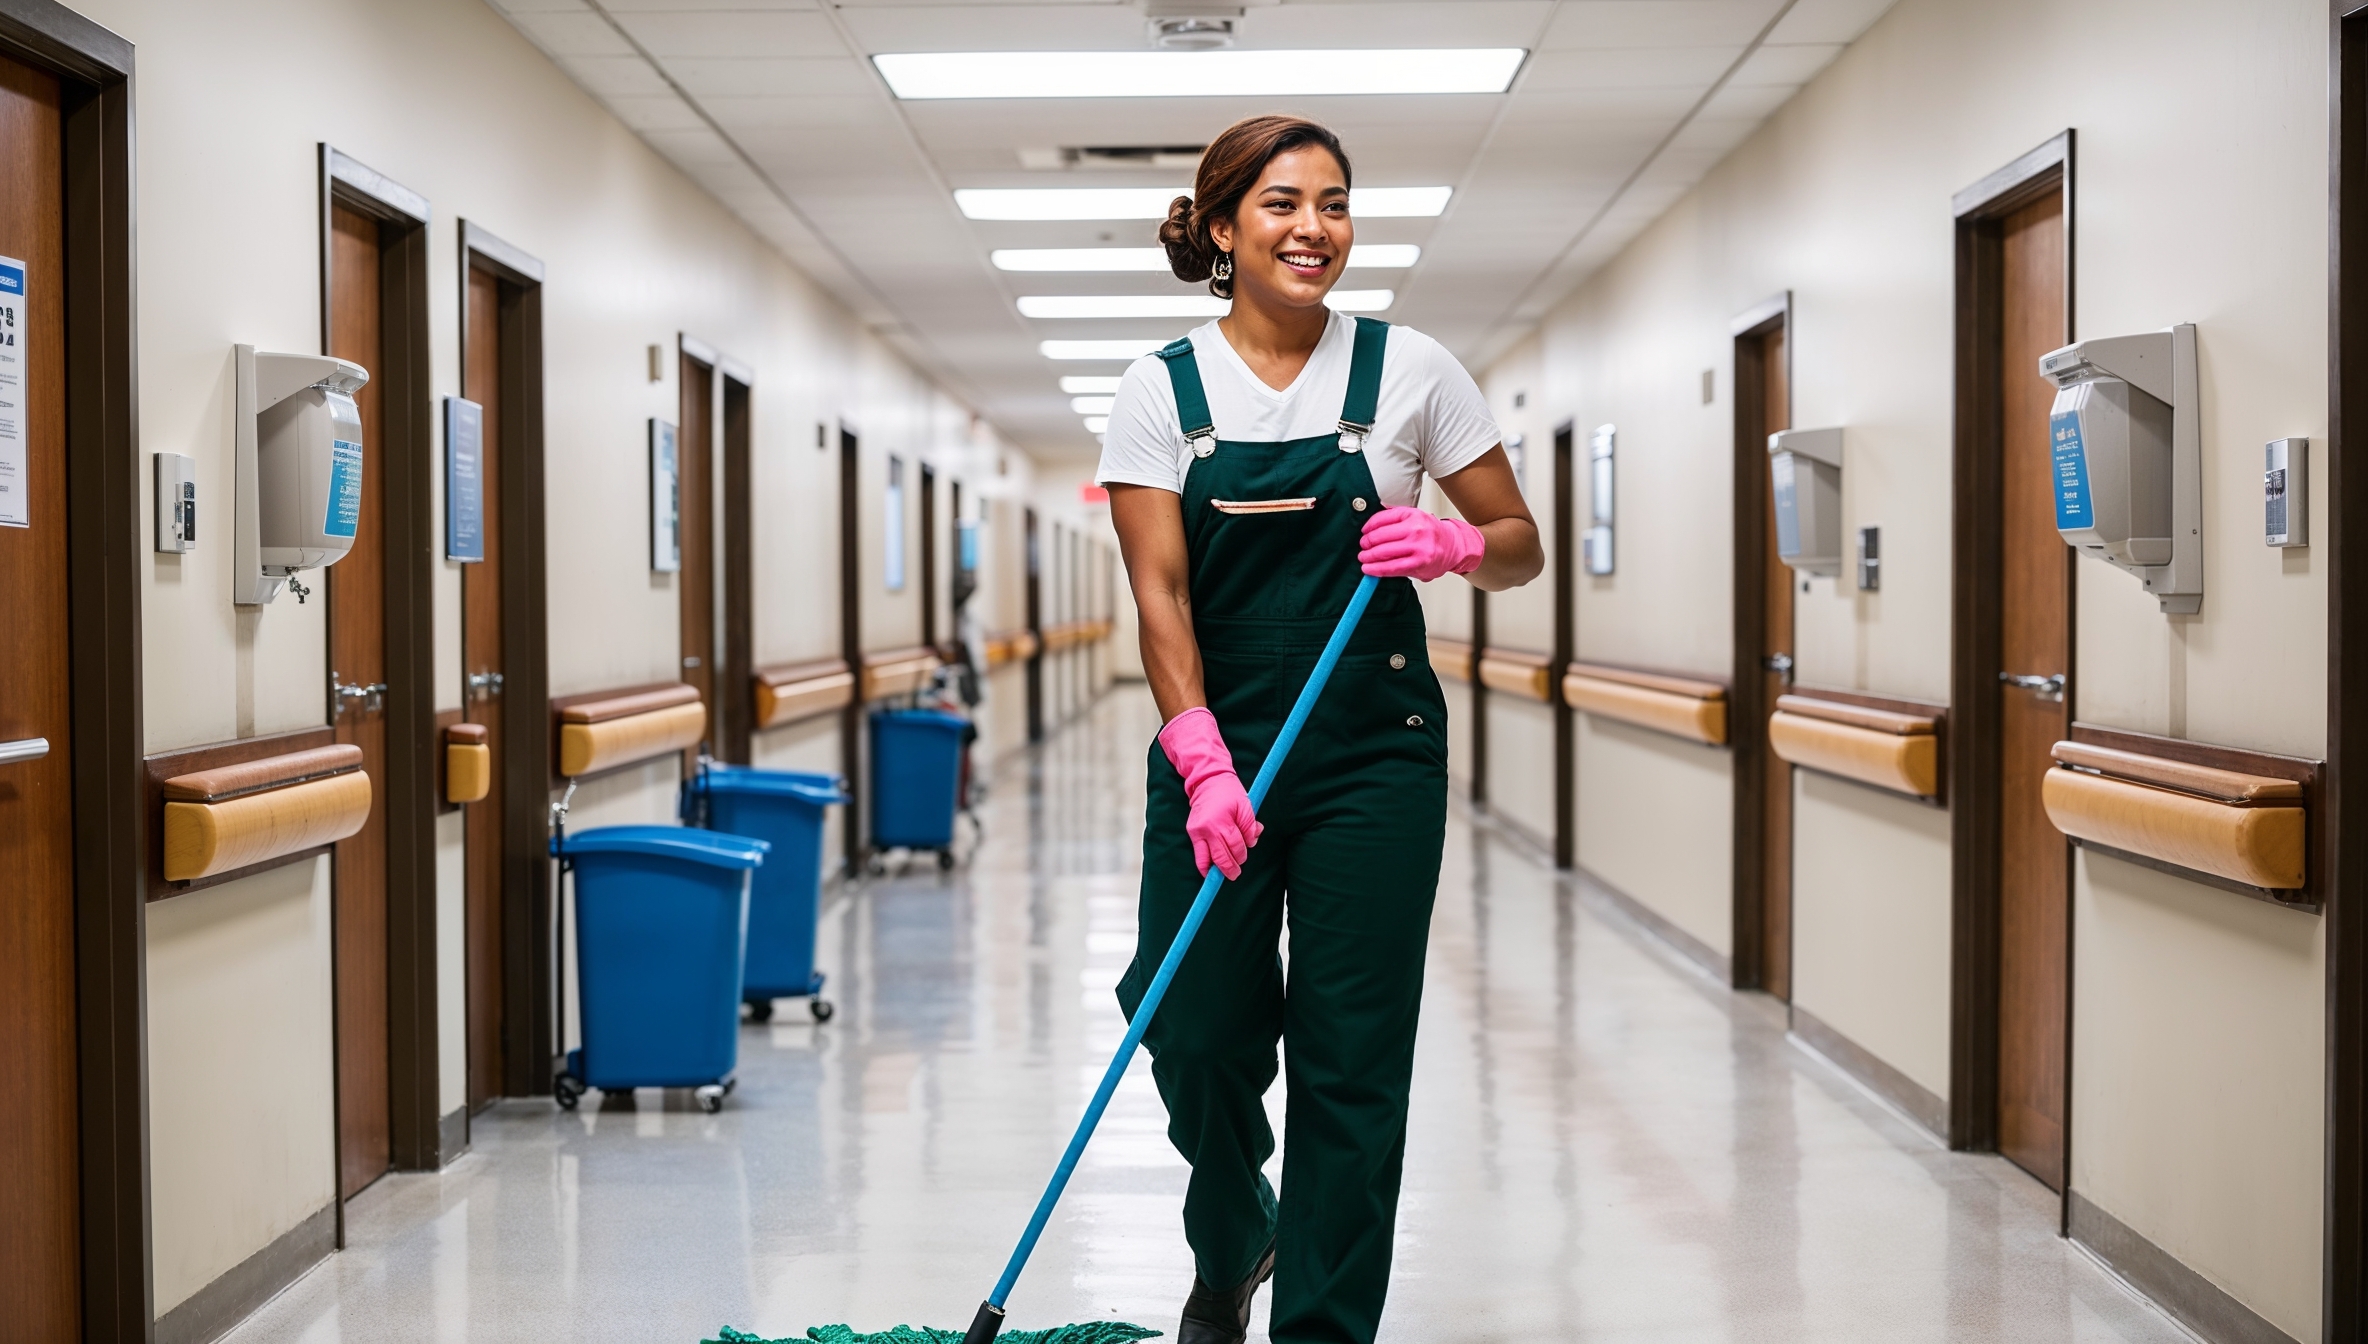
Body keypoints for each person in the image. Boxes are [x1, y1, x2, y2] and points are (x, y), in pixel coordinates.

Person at [1097, 114, 1542, 1344]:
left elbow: (1521, 545)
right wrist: (1197, 759)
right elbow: (1162, 597)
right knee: (1185, 1019)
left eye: (1335, 203)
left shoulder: (1410, 372)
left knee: (1352, 1061)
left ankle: (1323, 1328)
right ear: (1225, 226)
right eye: (1284, 203)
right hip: (1218, 753)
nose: (1314, 228)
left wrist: (1456, 542)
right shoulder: (1160, 391)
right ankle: (1238, 1221)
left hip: (1371, 751)